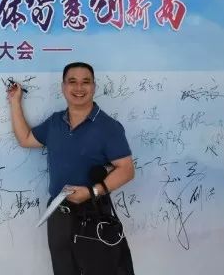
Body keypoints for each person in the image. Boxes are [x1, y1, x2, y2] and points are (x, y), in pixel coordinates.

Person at [7, 62, 135, 275]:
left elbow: (126, 169)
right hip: (59, 213)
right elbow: (26, 139)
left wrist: (92, 192)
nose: (79, 88)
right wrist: (14, 102)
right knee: (64, 270)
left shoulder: (109, 127)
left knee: (100, 270)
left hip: (93, 213)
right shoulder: (55, 122)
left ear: (94, 86)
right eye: (72, 81)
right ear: (63, 87)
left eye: (86, 82)